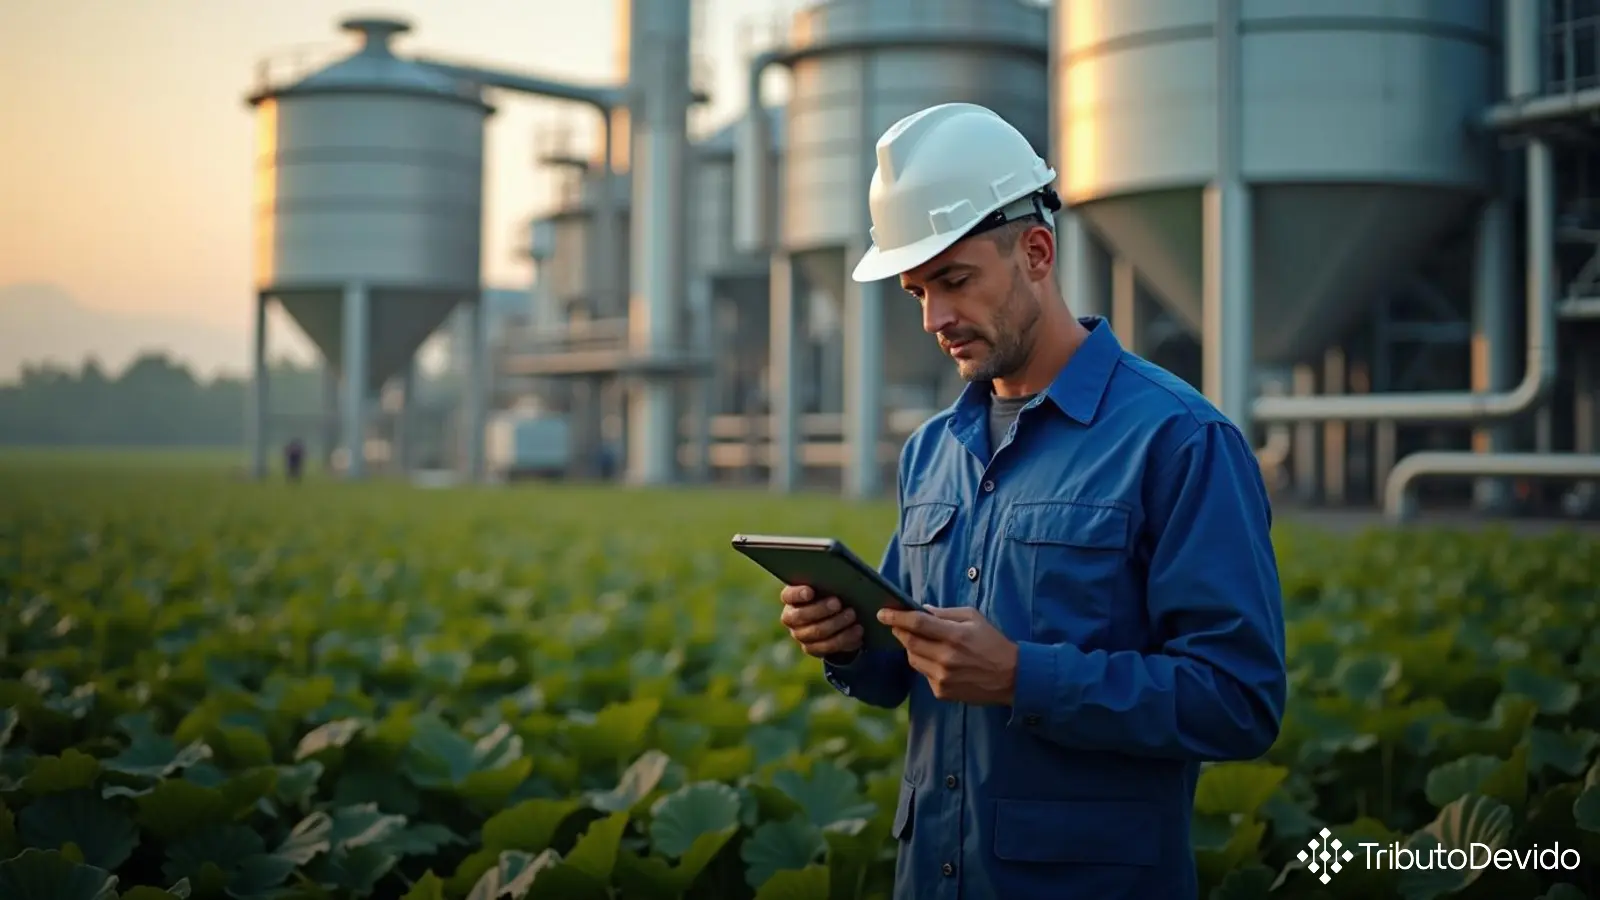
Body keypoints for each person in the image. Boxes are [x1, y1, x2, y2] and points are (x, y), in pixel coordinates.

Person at [778, 103, 1287, 899]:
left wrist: (1024, 676)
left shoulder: (1178, 440)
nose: (934, 319)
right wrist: (847, 643)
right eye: (917, 290)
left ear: (1038, 253)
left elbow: (1239, 701)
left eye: (954, 281)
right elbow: (902, 668)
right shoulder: (933, 452)